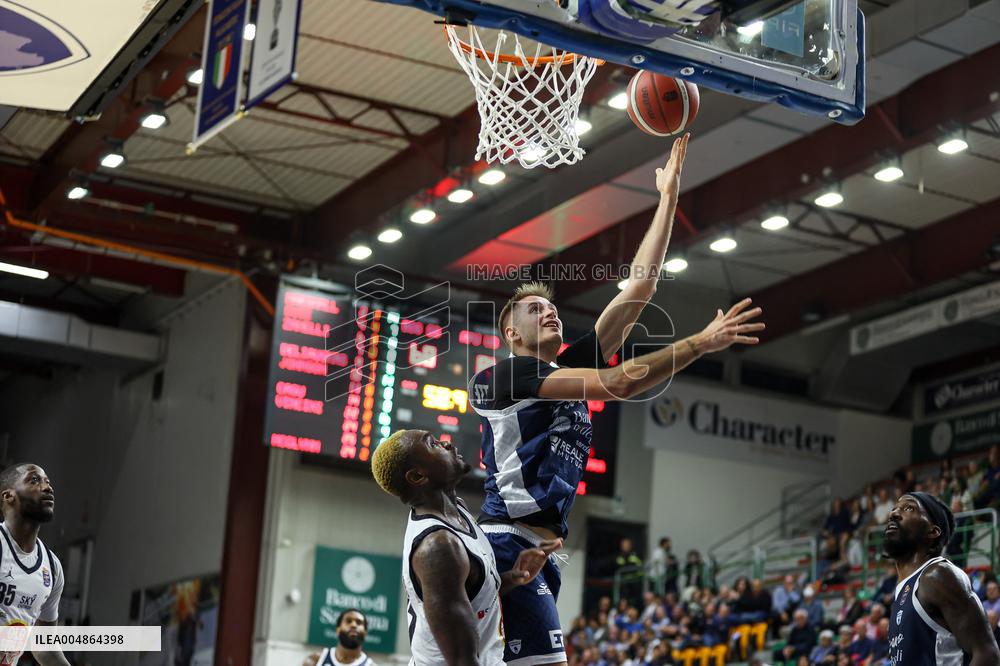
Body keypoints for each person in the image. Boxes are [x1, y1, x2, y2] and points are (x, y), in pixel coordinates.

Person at [469, 134, 765, 665]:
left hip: (540, 550)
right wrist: (701, 341)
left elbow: (639, 289)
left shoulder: (564, 365)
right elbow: (621, 383)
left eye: (550, 307)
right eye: (533, 310)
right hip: (504, 541)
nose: (549, 312)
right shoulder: (502, 378)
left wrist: (669, 199)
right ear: (510, 333)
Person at [370, 430, 560, 665]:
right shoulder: (438, 547)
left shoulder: (456, 511)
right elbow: (462, 661)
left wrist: (513, 577)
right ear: (418, 476)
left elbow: (471, 598)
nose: (447, 443)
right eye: (433, 444)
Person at [884, 491, 1000, 665]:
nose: (894, 513)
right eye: (895, 508)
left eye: (909, 508)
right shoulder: (904, 589)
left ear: (933, 531)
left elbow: (987, 654)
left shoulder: (937, 575)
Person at [0, 463, 69, 666]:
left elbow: (45, 647)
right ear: (8, 496)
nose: (48, 487)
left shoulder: (52, 568)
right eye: (35, 480)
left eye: (48, 481)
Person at [302, 609, 376, 666]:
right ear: (338, 630)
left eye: (359, 622)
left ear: (365, 633)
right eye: (348, 621)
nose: (353, 625)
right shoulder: (315, 660)